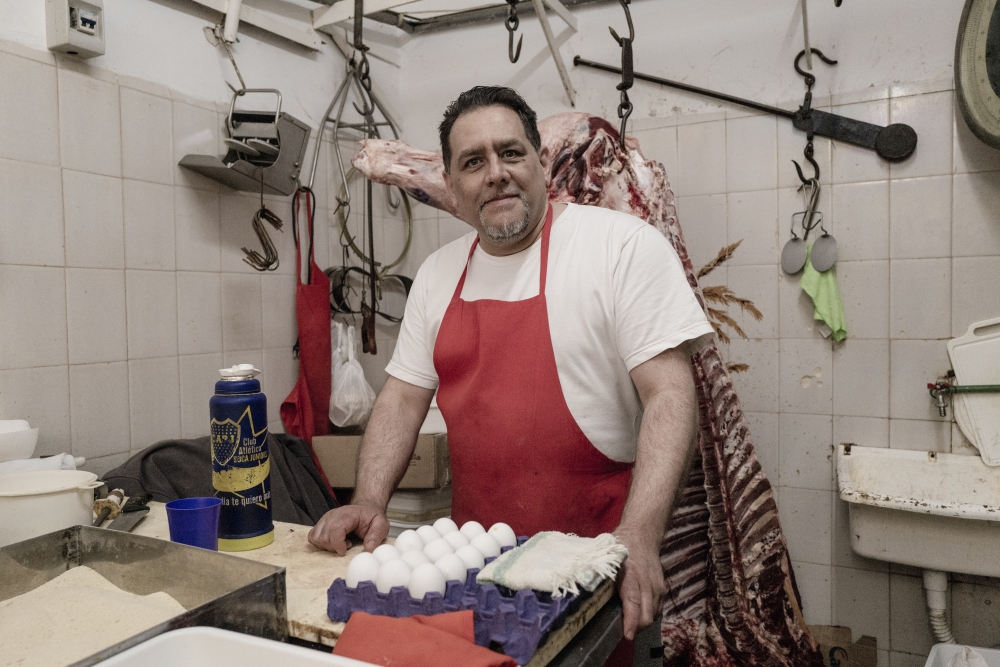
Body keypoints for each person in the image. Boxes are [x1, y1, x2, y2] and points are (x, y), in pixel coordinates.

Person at [308, 86, 714, 657]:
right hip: (477, 573)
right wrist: (369, 499)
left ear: (541, 161)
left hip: (596, 574)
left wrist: (641, 536)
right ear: (451, 185)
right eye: (473, 162)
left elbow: (670, 393)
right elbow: (401, 399)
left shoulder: (620, 248)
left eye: (511, 153)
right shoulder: (437, 274)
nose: (496, 173)